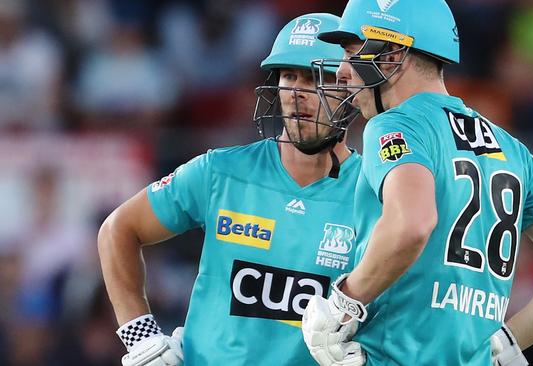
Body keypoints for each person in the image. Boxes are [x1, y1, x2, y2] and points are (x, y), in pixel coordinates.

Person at [300, 1, 533, 365]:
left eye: (352, 53)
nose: (341, 71)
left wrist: (343, 303)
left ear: (391, 56)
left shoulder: (395, 126)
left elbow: (411, 224)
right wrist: (508, 342)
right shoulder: (509, 147)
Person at [98, 13, 361, 366]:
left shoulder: (374, 193)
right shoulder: (220, 171)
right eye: (288, 76)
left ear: (350, 87)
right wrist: (141, 336)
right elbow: (118, 230)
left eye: (316, 78)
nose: (297, 93)